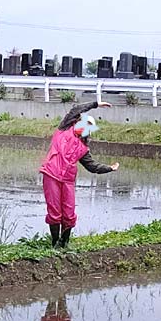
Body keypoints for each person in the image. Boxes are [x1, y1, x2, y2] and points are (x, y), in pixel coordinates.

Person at [39, 100, 119, 248]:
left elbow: (92, 166)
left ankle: (64, 244)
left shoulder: (83, 148)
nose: (85, 128)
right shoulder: (64, 128)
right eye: (84, 124)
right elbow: (76, 109)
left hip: (68, 180)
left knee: (69, 214)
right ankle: (54, 244)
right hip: (51, 174)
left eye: (89, 127)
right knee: (54, 212)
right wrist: (96, 104)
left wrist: (109, 168)